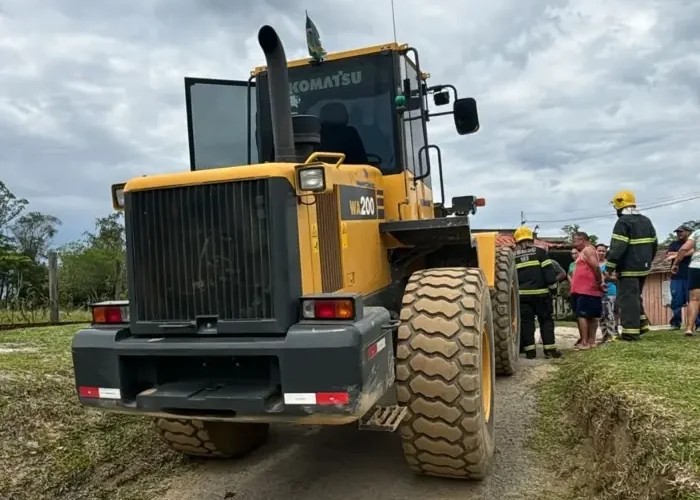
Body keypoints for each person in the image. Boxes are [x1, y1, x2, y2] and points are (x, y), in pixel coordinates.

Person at [604, 190, 658, 341]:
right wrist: (647, 262)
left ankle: (630, 333)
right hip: (644, 267)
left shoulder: (623, 222)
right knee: (636, 297)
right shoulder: (646, 220)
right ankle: (641, 325)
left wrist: (609, 267)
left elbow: (618, 246)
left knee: (628, 299)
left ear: (619, 205)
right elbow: (654, 243)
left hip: (628, 268)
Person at [513, 226, 561, 359]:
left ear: (516, 241)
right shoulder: (540, 252)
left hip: (522, 297)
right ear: (532, 239)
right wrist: (553, 289)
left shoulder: (513, 257)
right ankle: (550, 350)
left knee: (526, 323)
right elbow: (549, 273)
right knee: (546, 321)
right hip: (541, 295)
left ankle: (530, 352)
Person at [570, 232, 605, 349]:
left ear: (582, 239)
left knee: (583, 315)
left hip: (586, 289)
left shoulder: (588, 250)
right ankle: (590, 341)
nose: (574, 244)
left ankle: (586, 342)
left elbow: (595, 266)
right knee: (589, 315)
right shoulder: (584, 252)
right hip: (583, 290)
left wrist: (599, 282)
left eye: (575, 241)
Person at [666, 225, 700, 330]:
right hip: (677, 277)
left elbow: (691, 251)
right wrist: (681, 253)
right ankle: (676, 323)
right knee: (676, 300)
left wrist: (680, 254)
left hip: (690, 274)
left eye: (681, 231)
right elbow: (668, 254)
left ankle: (697, 324)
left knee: (694, 300)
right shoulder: (674, 244)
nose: (679, 234)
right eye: (677, 232)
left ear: (688, 232)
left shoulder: (694, 239)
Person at [596, 243, 618, 342]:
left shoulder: (609, 264)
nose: (601, 253)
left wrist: (608, 278)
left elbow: (616, 277)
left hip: (609, 291)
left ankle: (613, 335)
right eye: (599, 250)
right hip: (597, 293)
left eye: (603, 251)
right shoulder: (593, 264)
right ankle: (605, 335)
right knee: (600, 316)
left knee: (609, 314)